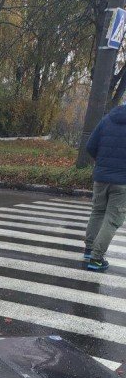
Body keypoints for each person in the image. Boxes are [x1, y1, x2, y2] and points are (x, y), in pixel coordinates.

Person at [83, 104, 126, 272]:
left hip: (101, 178)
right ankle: (96, 258)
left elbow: (90, 146)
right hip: (122, 181)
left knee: (97, 212)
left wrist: (101, 163)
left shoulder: (107, 119)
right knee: (112, 219)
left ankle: (88, 250)